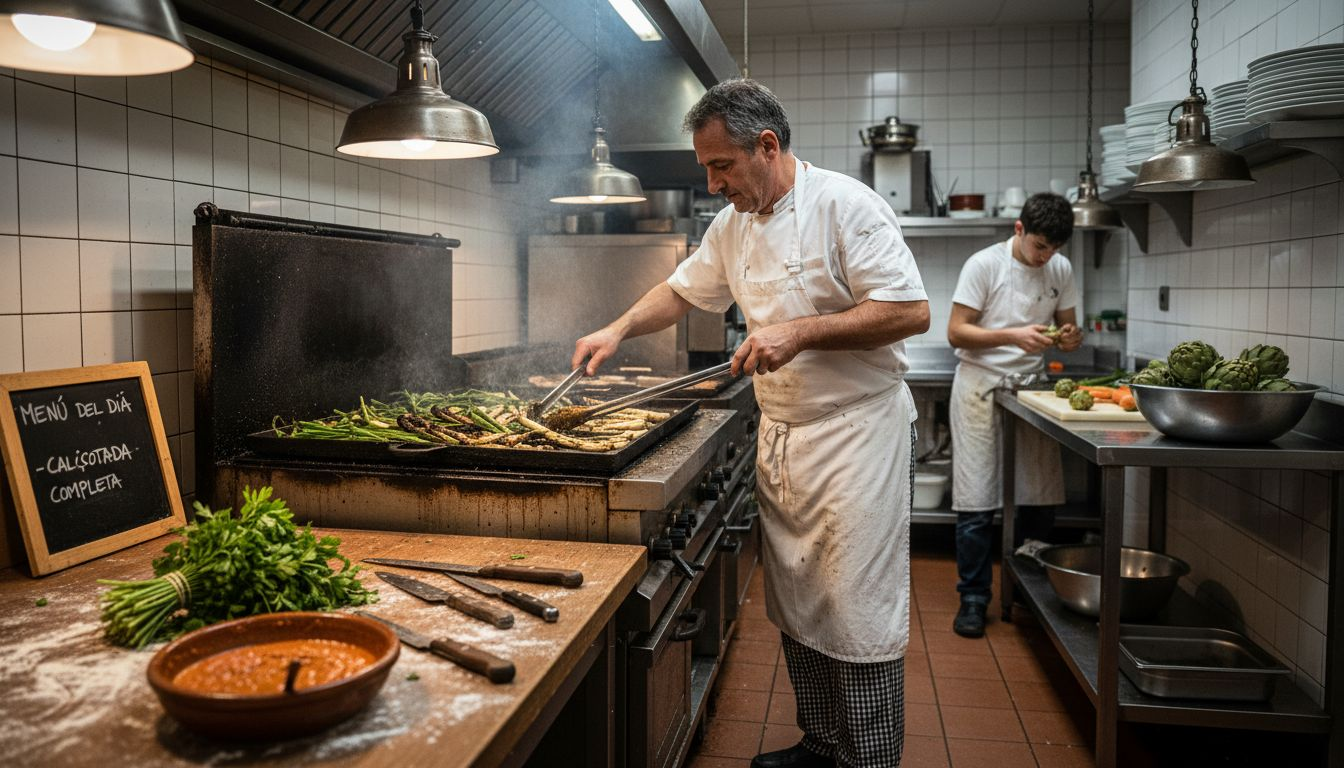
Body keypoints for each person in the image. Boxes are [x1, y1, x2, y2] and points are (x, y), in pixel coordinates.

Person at [572, 79, 929, 768]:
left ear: (767, 146)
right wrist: (616, 328)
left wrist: (798, 333)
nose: (712, 184)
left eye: (721, 166)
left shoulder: (845, 206)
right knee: (801, 601)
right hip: (785, 434)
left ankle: (869, 760)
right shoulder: (732, 225)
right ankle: (822, 745)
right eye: (706, 168)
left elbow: (909, 310)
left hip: (857, 436)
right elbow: (681, 290)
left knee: (857, 612)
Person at [946, 193, 1083, 638]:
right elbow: (956, 331)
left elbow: (1068, 327)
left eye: (1054, 249)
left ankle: (1029, 589)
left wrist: (1069, 337)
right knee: (977, 495)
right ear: (1019, 229)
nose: (1046, 257)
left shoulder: (1059, 268)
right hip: (980, 384)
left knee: (1039, 493)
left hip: (1030, 389)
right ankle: (973, 597)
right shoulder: (984, 265)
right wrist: (1013, 336)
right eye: (1040, 246)